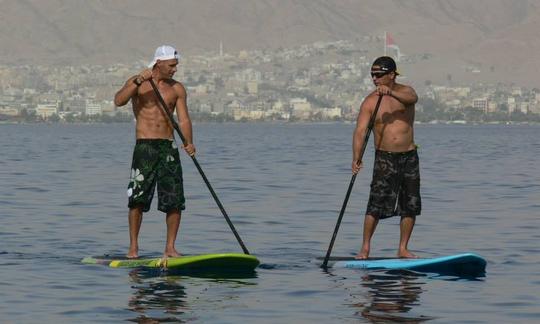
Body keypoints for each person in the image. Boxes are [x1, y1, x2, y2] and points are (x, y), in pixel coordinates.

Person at [114, 45, 196, 258]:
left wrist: (189, 142)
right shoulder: (138, 83)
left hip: (168, 147)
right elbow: (119, 100)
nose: (175, 70)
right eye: (171, 65)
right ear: (159, 63)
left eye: (176, 65)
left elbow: (184, 119)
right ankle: (133, 248)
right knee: (137, 199)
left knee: (174, 199)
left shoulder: (177, 88)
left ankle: (170, 247)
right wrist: (138, 80)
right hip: (145, 147)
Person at [352, 56, 420, 259]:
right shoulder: (370, 102)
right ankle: (365, 248)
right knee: (376, 203)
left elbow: (412, 99)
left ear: (392, 75)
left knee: (410, 204)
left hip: (409, 156)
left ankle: (403, 249)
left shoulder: (406, 92)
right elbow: (360, 131)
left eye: (379, 75)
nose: (375, 79)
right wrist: (356, 158)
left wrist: (390, 92)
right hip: (385, 158)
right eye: (372, 75)